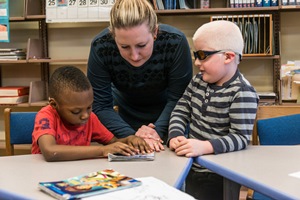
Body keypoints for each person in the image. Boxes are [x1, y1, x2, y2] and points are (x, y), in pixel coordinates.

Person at [168, 20, 259, 200]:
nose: (196, 62)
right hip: (190, 165)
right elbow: (181, 109)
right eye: (196, 54)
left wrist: (205, 146)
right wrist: (175, 134)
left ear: (228, 57)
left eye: (203, 55)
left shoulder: (242, 92)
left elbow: (240, 137)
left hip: (219, 174)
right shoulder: (198, 81)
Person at [87, 0, 193, 152]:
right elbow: (101, 105)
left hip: (170, 117)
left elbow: (179, 98)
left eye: (141, 45)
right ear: (113, 37)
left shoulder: (175, 42)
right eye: (124, 47)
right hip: (122, 120)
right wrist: (132, 137)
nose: (134, 56)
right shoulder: (100, 46)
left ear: (155, 32)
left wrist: (157, 131)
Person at [32, 66, 152, 162]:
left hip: (79, 174)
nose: (85, 115)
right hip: (47, 173)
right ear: (54, 104)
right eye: (76, 111)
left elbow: (113, 142)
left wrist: (130, 139)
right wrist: (101, 150)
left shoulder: (90, 118)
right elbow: (50, 151)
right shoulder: (46, 116)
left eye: (89, 107)